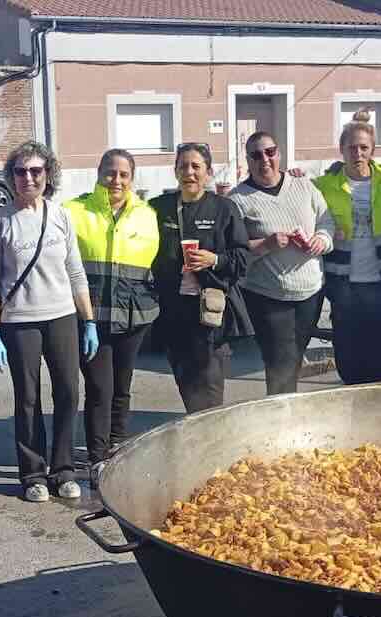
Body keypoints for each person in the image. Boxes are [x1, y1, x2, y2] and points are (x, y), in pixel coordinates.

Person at [0, 141, 94, 503]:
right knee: (27, 398)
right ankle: (32, 474)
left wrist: (87, 320)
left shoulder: (60, 216)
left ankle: (63, 471)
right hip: (20, 322)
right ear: (11, 176)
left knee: (68, 393)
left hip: (62, 317)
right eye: (20, 171)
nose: (28, 178)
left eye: (36, 171)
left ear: (48, 175)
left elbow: (76, 272)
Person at [63, 149, 159, 479]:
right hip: (91, 316)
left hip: (134, 315)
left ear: (131, 178)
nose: (116, 180)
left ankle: (118, 445)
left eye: (123, 174)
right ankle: (97, 456)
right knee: (99, 387)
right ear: (99, 172)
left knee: (122, 385)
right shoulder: (73, 210)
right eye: (110, 173)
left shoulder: (146, 213)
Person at [149, 143, 252, 413]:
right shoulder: (159, 208)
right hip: (174, 312)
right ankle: (198, 433)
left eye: (196, 166)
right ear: (175, 171)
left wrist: (214, 260)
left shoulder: (224, 209)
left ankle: (212, 442)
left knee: (210, 387)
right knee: (186, 384)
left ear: (209, 172)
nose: (189, 172)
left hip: (210, 313)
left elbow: (243, 259)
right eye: (183, 166)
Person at [228, 132, 333, 395]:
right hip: (268, 296)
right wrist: (267, 244)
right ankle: (282, 417)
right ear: (247, 161)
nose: (264, 159)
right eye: (256, 155)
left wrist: (322, 239)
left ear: (279, 154)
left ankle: (285, 411)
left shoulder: (303, 185)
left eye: (270, 152)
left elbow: (326, 221)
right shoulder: (237, 199)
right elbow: (234, 252)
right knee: (280, 363)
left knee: (294, 360)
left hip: (310, 291)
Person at [313, 119, 381, 384]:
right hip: (343, 281)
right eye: (352, 148)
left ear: (373, 150)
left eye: (364, 148)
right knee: (347, 349)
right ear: (342, 150)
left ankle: (378, 400)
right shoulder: (323, 185)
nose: (358, 154)